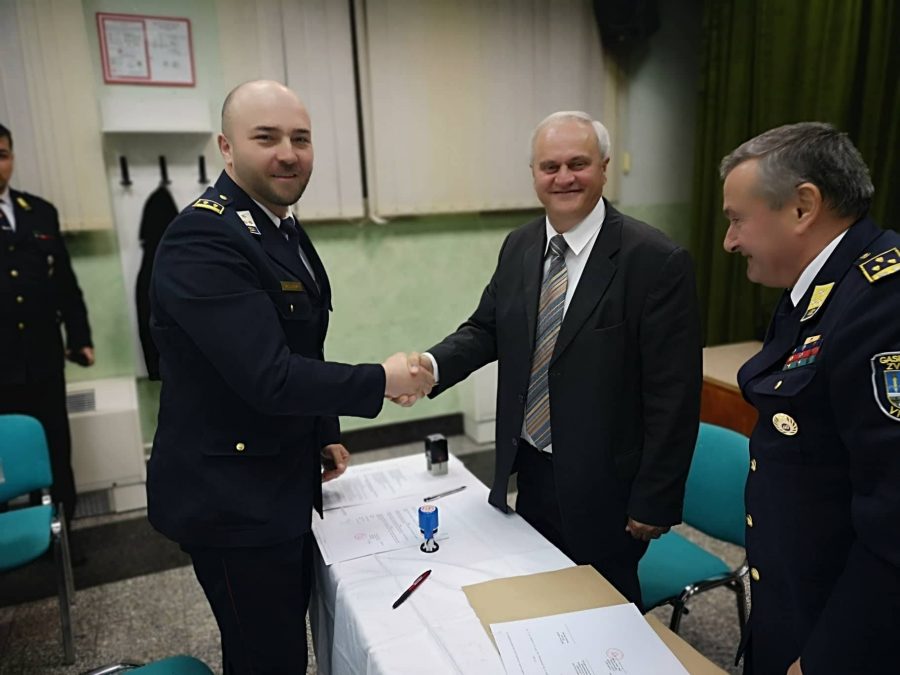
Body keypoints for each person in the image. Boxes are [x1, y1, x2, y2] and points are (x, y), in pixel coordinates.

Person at [147, 80, 432, 674]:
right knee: (267, 658)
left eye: (300, 139)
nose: (288, 154)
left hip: (277, 473)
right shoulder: (204, 236)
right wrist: (381, 379)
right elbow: (268, 376)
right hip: (232, 498)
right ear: (227, 148)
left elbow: (301, 340)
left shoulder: (275, 224)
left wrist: (322, 429)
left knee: (284, 641)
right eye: (267, 138)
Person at [412, 111, 702, 605]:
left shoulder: (655, 261)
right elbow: (487, 328)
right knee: (543, 599)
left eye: (578, 164)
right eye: (550, 166)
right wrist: (430, 366)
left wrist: (655, 499)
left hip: (607, 485)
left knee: (605, 610)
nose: (563, 177)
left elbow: (673, 394)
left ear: (604, 168)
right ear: (533, 174)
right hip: (531, 465)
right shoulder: (520, 245)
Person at [721, 122, 900, 675]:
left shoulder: (882, 305)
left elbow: (893, 524)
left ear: (802, 207)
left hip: (848, 637)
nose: (729, 242)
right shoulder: (820, 288)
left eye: (737, 220)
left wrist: (825, 660)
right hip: (797, 599)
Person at [0, 123, 94, 530]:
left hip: (43, 357)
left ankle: (64, 537)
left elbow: (65, 285)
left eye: (3, 154)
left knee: (56, 448)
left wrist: (80, 337)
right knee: (4, 461)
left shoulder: (38, 212)